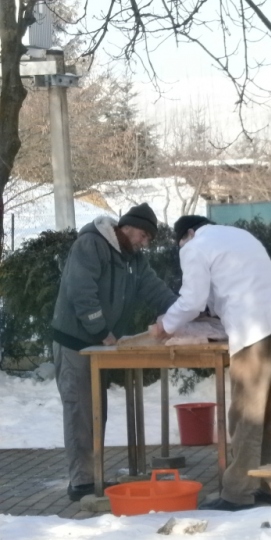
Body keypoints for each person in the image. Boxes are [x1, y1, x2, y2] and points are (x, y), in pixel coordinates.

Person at [153, 215, 271, 511]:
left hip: (254, 330)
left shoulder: (194, 245)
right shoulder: (237, 236)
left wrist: (164, 326)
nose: (182, 248)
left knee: (247, 414)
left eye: (180, 242)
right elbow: (219, 292)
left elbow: (193, 299)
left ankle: (237, 494)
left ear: (188, 234)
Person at [52, 203, 178, 501]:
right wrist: (100, 330)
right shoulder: (91, 244)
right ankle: (81, 483)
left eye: (149, 238)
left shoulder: (135, 260)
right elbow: (81, 290)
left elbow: (156, 290)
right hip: (74, 342)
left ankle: (92, 477)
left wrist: (185, 314)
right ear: (126, 227)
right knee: (80, 411)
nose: (144, 242)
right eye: (143, 235)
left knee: (96, 412)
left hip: (99, 346)